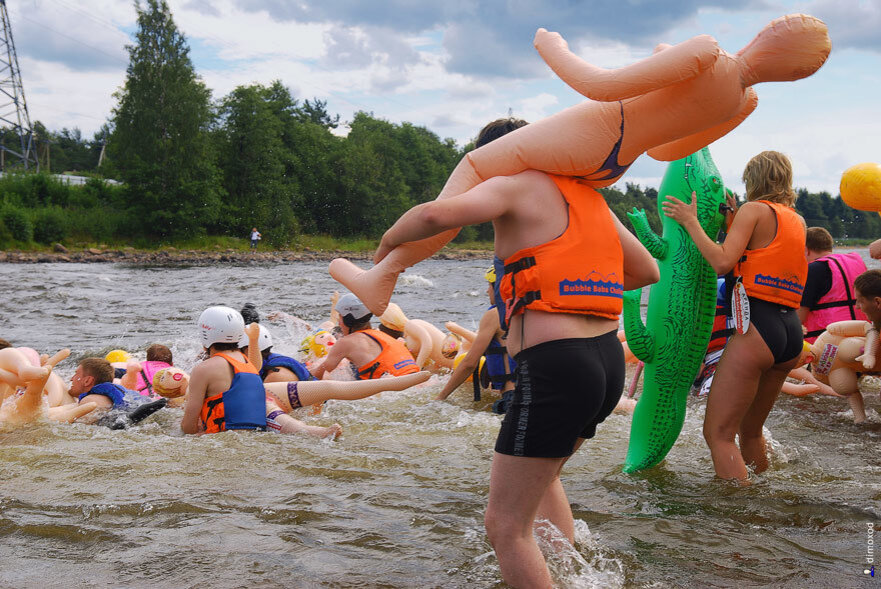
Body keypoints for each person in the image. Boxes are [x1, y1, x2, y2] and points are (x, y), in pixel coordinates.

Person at [328, 15, 830, 317]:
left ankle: (385, 271)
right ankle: (567, 285)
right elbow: (665, 151)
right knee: (560, 211)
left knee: (476, 167)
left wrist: (554, 47)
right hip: (615, 162)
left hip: (597, 131)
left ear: (771, 34)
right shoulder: (742, 101)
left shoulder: (708, 53)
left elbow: (601, 87)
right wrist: (664, 66)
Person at [368, 117, 659, 586]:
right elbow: (646, 271)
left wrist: (385, 250)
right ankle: (567, 571)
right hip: (603, 361)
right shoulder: (587, 196)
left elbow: (433, 216)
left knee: (505, 526)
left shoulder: (513, 182)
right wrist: (572, 283)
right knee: (542, 480)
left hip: (558, 366)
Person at [663, 150, 808, 483]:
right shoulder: (796, 220)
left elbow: (722, 263)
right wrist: (732, 223)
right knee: (750, 430)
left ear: (753, 180)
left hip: (757, 327)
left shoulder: (753, 209)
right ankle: (762, 494)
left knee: (718, 434)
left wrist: (690, 221)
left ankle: (739, 515)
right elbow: (761, 251)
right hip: (789, 331)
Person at [436, 265, 516, 413]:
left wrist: (441, 397)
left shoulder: (494, 315)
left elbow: (469, 364)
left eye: (489, 285)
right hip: (539, 394)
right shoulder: (533, 311)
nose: (487, 291)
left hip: (513, 397)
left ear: (499, 287)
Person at [310, 293, 420, 381]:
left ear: (349, 319)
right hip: (416, 379)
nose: (339, 322)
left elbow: (317, 375)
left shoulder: (346, 342)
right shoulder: (382, 335)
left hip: (393, 389)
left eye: (340, 317)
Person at [798, 226, 867, 342]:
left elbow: (799, 317)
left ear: (806, 250)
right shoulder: (855, 264)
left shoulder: (813, 269)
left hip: (830, 345)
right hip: (863, 338)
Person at [69, 357, 167, 428]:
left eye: (76, 374)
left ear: (87, 381)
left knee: (111, 423)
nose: (71, 379)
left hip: (118, 422)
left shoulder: (90, 400)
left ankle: (128, 420)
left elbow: (79, 427)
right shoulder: (117, 389)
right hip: (139, 406)